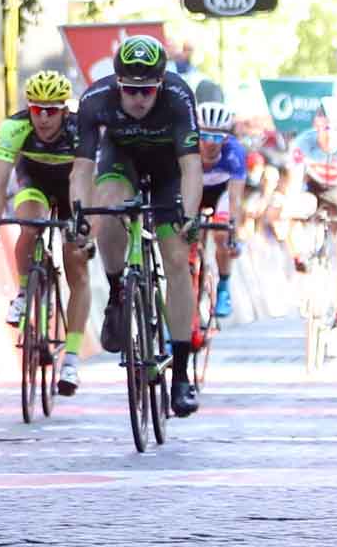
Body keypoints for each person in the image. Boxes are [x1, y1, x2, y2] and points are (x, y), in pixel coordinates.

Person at [69, 35, 203, 417]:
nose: (139, 99)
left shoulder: (178, 97)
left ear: (161, 84)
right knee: (108, 209)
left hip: (167, 171)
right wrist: (81, 213)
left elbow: (191, 167)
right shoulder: (95, 100)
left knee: (176, 260)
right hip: (121, 161)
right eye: (130, 90)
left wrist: (189, 217)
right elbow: (82, 169)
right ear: (117, 84)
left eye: (147, 91)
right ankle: (117, 293)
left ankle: (180, 374)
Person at [0, 70, 90, 395]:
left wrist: (86, 232)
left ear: (64, 111)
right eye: (36, 109)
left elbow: (91, 182)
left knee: (77, 263)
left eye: (51, 110)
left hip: (73, 187)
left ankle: (70, 359)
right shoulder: (15, 127)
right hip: (34, 183)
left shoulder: (79, 129)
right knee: (30, 222)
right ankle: (25, 292)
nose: (42, 117)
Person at [284, 97, 337, 350]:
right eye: (325, 127)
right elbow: (294, 183)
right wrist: (290, 213)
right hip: (314, 189)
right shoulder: (303, 143)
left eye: (335, 128)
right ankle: (301, 262)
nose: (329, 134)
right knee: (291, 211)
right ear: (316, 125)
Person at [196, 102, 247, 319]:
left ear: (227, 138)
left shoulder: (234, 152)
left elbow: (235, 198)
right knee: (190, 239)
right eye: (205, 136)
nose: (210, 143)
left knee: (221, 235)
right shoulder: (186, 147)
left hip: (221, 194)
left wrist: (233, 233)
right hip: (194, 191)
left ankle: (224, 286)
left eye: (217, 138)